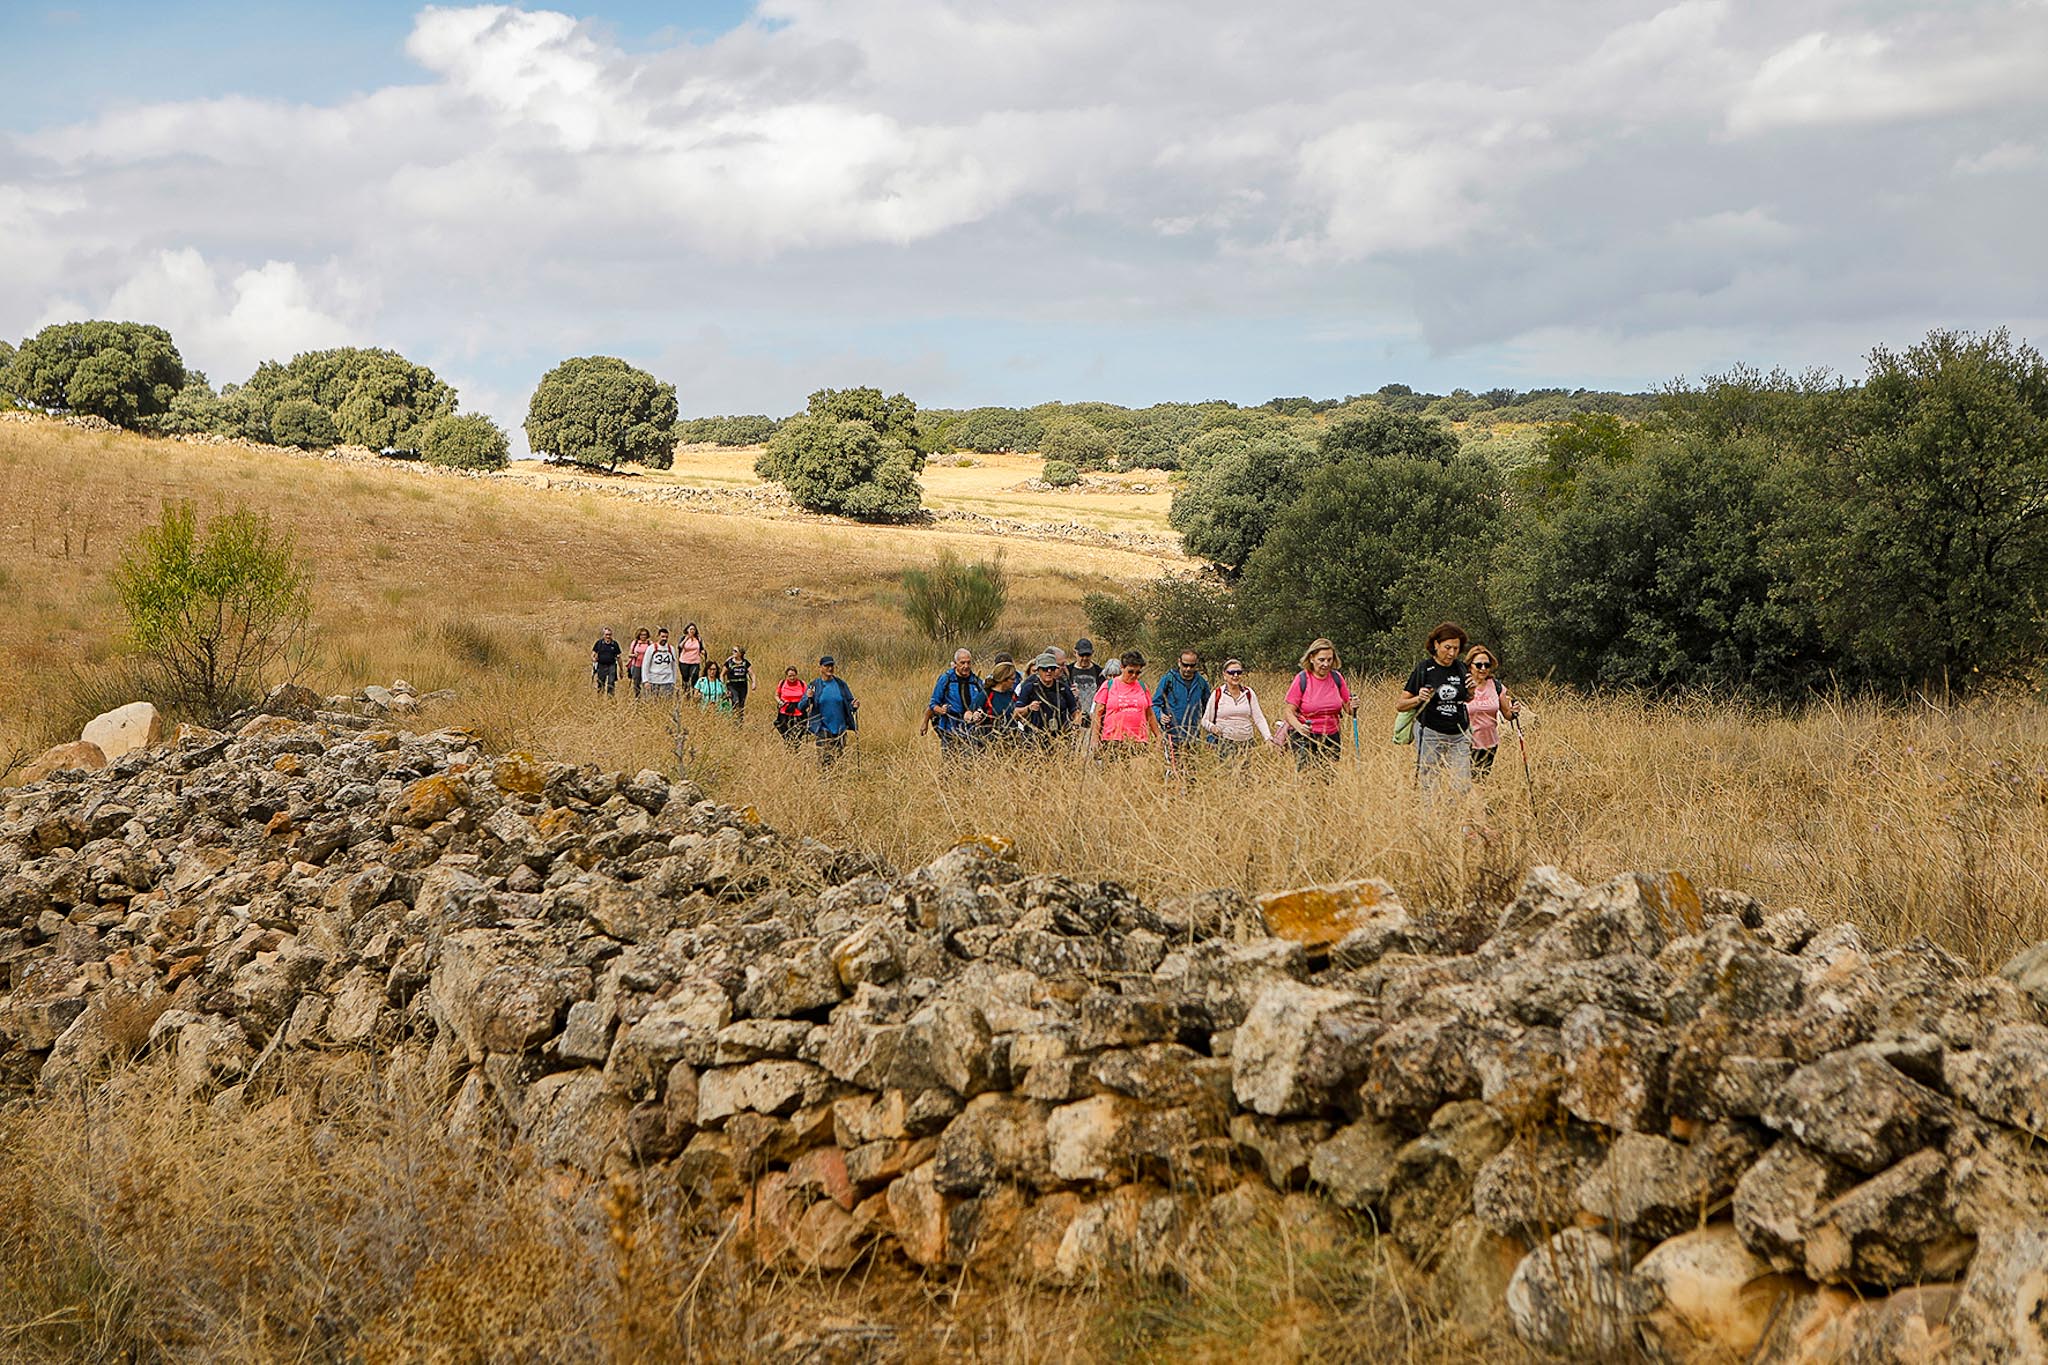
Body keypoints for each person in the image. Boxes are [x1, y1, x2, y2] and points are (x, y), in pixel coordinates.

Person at [1399, 622, 1473, 789]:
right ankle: (1431, 815)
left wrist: (1472, 690)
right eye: (1447, 647)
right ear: (1436, 644)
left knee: (1463, 785)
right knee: (1430, 784)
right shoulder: (1424, 669)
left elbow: (1466, 698)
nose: (1452, 653)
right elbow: (1401, 705)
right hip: (1430, 731)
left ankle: (1452, 813)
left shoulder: (1461, 668)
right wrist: (1419, 698)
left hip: (1459, 733)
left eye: (1456, 648)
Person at [1284, 638, 1356, 768]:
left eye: (1330, 660)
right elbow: (1288, 712)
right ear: (1311, 658)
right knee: (1308, 777)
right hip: (1305, 736)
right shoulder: (1302, 679)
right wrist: (1299, 727)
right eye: (1321, 660)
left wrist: (1354, 705)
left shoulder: (1337, 678)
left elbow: (1349, 710)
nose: (1326, 664)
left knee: (1328, 777)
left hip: (1332, 736)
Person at [1464, 644, 1520, 779]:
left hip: (1490, 744)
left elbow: (1507, 714)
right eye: (1478, 665)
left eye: (1487, 665)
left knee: (1481, 782)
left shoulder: (1496, 686)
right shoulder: (1462, 685)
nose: (1483, 669)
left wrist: (1515, 712)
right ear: (1470, 665)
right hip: (1465, 744)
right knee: (1465, 784)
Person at [1093, 649, 1163, 756]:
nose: (1134, 675)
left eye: (1138, 672)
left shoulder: (1143, 687)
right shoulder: (1108, 685)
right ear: (1122, 667)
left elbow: (1149, 714)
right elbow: (1097, 714)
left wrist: (1158, 736)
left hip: (1139, 741)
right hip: (1113, 741)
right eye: (1130, 671)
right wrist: (1095, 739)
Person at [1201, 659, 1274, 754]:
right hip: (1224, 742)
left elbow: (1259, 718)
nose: (1235, 676)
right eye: (1231, 673)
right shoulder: (1217, 694)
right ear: (1225, 675)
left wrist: (1268, 738)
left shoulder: (1249, 693)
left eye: (1238, 672)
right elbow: (1205, 720)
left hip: (1247, 743)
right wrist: (1213, 728)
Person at [926, 648, 990, 756]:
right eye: (962, 663)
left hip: (972, 729)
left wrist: (979, 713)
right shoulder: (946, 679)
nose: (966, 666)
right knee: (950, 762)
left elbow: (984, 703)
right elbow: (933, 703)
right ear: (955, 664)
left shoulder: (976, 682)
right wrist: (941, 710)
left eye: (968, 663)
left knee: (973, 761)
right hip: (950, 728)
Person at [1152, 650, 1212, 758]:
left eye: (1192, 666)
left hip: (1194, 737)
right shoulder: (1168, 680)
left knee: (1192, 770)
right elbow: (1155, 704)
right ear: (1179, 662)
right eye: (1185, 665)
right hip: (1172, 735)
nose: (1188, 669)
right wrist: (1160, 715)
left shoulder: (1201, 682)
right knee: (1174, 769)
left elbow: (1208, 708)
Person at [804, 655, 858, 769]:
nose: (830, 668)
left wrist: (854, 706)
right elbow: (801, 705)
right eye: (827, 666)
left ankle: (837, 783)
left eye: (832, 665)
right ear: (820, 668)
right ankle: (825, 783)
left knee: (838, 760)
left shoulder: (841, 684)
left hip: (840, 728)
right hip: (822, 728)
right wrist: (809, 697)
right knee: (825, 760)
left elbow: (849, 703)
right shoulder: (815, 685)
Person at [1015, 653, 1078, 745]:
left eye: (1052, 668)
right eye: (1045, 669)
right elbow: (1016, 713)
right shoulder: (1029, 688)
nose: (1048, 671)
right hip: (1035, 739)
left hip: (1060, 738)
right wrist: (1028, 708)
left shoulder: (1063, 688)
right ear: (1038, 670)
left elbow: (1075, 711)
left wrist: (1075, 727)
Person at [1069, 639, 1104, 720]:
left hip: (1094, 717)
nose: (1084, 658)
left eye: (1087, 655)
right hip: (1075, 718)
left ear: (1092, 653)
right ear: (1075, 653)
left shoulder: (1099, 672)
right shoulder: (1068, 671)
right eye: (1081, 655)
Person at [986, 661, 1020, 742]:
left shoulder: (1012, 695)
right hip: (991, 739)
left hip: (1012, 739)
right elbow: (970, 712)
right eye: (1012, 679)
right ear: (1003, 679)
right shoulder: (987, 694)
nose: (1014, 681)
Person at [774, 666, 809, 745]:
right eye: (790, 676)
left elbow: (806, 696)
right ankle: (788, 743)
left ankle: (796, 745)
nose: (792, 678)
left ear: (796, 675)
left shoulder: (802, 683)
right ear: (786, 676)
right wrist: (780, 702)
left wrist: (808, 705)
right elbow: (776, 695)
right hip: (785, 710)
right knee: (783, 728)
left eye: (794, 675)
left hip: (799, 710)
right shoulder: (782, 683)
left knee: (799, 730)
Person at [642, 628, 678, 699]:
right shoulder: (651, 648)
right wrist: (645, 680)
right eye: (662, 637)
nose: (664, 639)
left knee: (666, 702)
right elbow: (645, 664)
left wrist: (674, 681)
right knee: (652, 701)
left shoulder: (671, 649)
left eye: (666, 637)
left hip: (667, 680)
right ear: (658, 636)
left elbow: (674, 665)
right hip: (653, 680)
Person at [592, 628, 623, 696]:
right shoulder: (599, 643)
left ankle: (610, 698)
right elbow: (593, 653)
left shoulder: (614, 644)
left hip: (611, 665)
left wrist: (621, 669)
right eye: (606, 634)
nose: (608, 636)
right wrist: (594, 658)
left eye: (609, 634)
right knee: (601, 682)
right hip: (601, 665)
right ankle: (600, 697)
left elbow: (619, 657)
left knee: (611, 682)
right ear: (603, 635)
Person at [725, 647, 752, 719]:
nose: (733, 652)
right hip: (732, 685)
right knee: (735, 701)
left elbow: (751, 673)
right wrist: (723, 686)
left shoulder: (745, 662)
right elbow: (722, 674)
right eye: (733, 651)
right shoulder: (729, 662)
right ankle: (734, 718)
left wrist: (753, 683)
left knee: (741, 703)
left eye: (735, 651)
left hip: (743, 685)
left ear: (740, 653)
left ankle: (739, 720)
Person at [626, 627, 652, 700]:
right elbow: (629, 654)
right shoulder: (635, 643)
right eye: (641, 635)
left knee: (646, 682)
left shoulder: (650, 643)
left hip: (647, 667)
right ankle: (637, 698)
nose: (643, 636)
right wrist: (634, 655)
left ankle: (646, 698)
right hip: (636, 665)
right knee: (636, 683)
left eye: (645, 635)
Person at [679, 623, 706, 690]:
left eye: (694, 629)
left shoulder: (698, 639)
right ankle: (686, 693)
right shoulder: (683, 638)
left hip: (695, 661)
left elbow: (701, 648)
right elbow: (680, 646)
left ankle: (695, 692)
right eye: (691, 629)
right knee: (685, 678)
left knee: (694, 676)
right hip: (684, 661)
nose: (692, 631)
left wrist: (703, 652)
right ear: (687, 630)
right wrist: (686, 639)